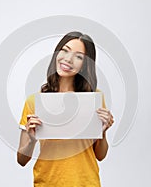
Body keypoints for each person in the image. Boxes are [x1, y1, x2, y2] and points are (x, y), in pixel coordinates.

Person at [17, 31, 114, 186]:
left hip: (86, 182)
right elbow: (21, 160)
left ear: (85, 64)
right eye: (65, 50)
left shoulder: (94, 98)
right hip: (48, 182)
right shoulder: (35, 102)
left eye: (78, 56)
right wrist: (31, 140)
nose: (68, 59)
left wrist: (102, 131)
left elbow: (100, 155)